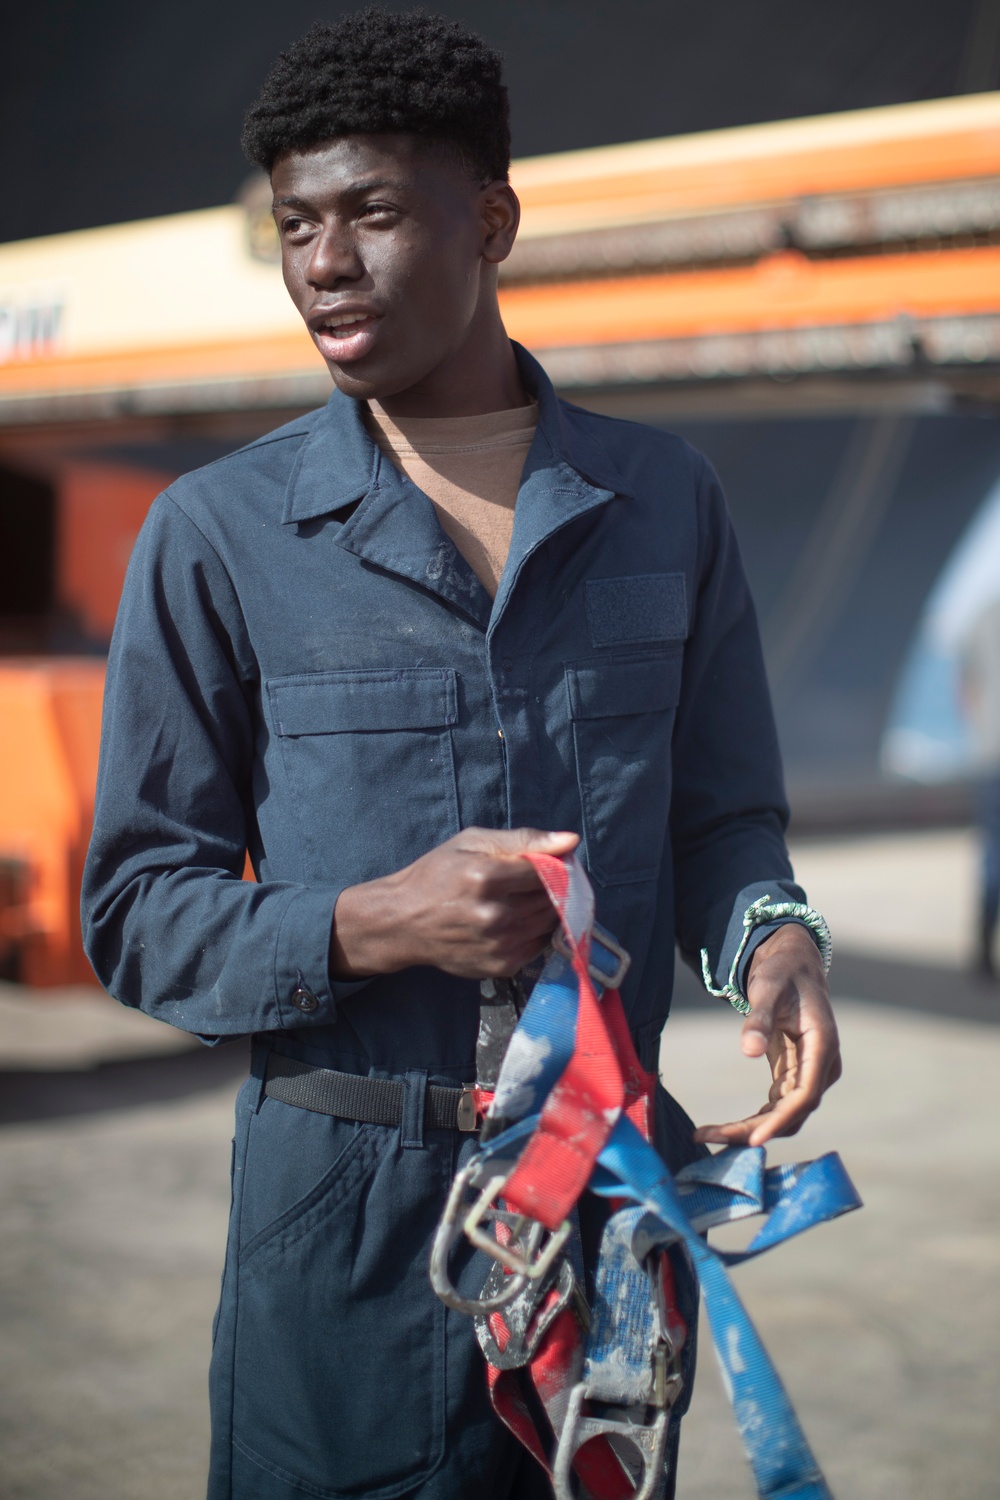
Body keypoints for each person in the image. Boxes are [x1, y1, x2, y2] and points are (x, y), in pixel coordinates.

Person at [81, 10, 841, 1498]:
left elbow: (724, 818)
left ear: (491, 218)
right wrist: (374, 921)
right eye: (295, 224)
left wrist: (771, 938)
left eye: (369, 211)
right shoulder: (216, 537)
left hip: (604, 1210)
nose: (325, 263)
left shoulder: (661, 503)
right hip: (343, 1236)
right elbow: (132, 912)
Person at [957, 593, 1000, 978]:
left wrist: (982, 726)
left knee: (992, 852)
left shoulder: (984, 613)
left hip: (989, 752)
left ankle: (983, 950)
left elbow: (965, 685)